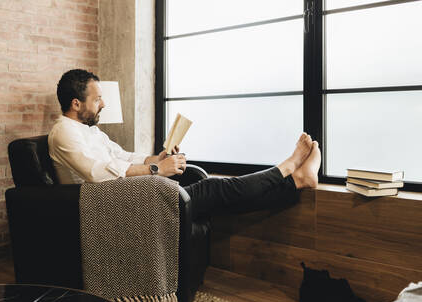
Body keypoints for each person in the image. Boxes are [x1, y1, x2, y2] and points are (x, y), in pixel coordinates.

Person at [48, 69, 321, 217]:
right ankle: (288, 167)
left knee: (221, 199)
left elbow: (123, 156)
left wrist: (158, 158)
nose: (103, 104)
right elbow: (97, 174)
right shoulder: (63, 133)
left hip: (134, 191)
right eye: (97, 99)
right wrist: (157, 171)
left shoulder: (89, 130)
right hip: (108, 205)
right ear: (76, 103)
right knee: (215, 187)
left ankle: (297, 181)